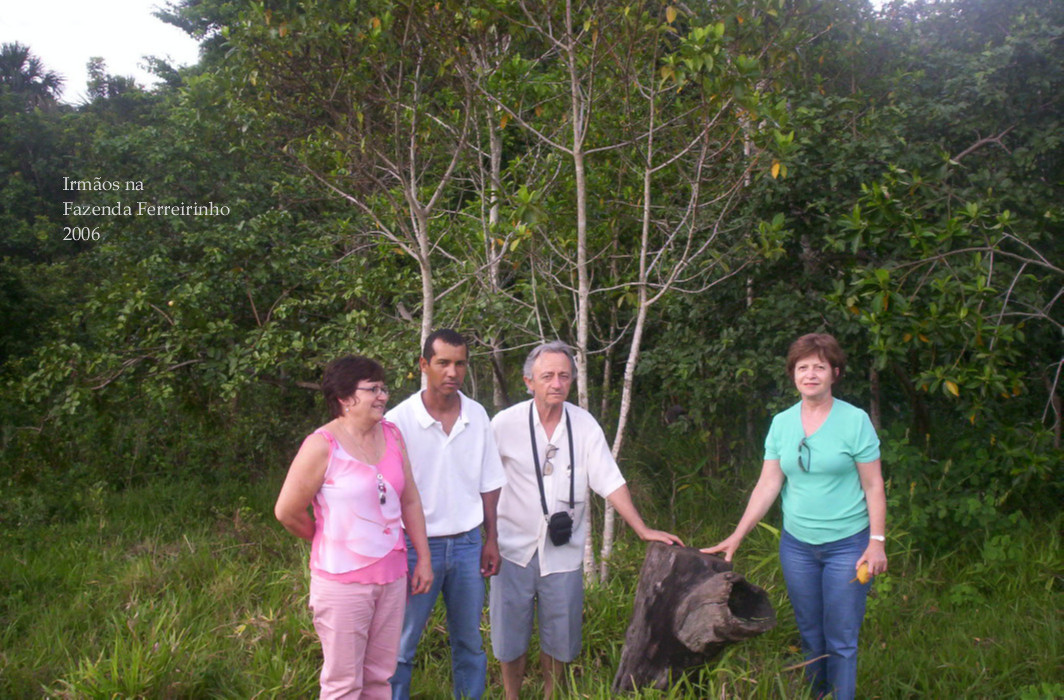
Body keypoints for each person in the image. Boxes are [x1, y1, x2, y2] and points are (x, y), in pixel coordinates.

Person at [490, 340, 683, 700]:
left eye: (564, 376)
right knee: (509, 636)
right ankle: (510, 695)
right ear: (529, 382)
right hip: (512, 549)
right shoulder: (504, 424)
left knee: (561, 637)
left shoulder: (583, 425)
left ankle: (553, 695)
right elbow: (484, 481)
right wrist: (482, 536)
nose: (557, 383)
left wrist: (642, 528)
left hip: (562, 552)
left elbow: (609, 479)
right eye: (547, 376)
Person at [702, 333, 887, 700]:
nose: (811, 374)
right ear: (793, 374)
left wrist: (876, 542)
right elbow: (768, 483)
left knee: (841, 639)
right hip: (798, 547)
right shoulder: (782, 423)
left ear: (835, 373)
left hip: (847, 546)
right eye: (803, 367)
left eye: (820, 367)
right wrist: (738, 535)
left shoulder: (855, 421)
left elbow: (873, 485)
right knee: (811, 634)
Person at [275, 355, 433, 700]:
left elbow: (410, 500)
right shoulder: (321, 445)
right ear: (345, 397)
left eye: (383, 388)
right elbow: (287, 511)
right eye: (373, 389)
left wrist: (423, 557)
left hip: (392, 576)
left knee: (380, 678)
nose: (383, 396)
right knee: (344, 684)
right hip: (342, 582)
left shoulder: (392, 434)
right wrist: (322, 536)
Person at [386, 329, 507, 700]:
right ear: (424, 365)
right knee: (401, 645)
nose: (452, 372)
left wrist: (491, 539)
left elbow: (489, 483)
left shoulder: (477, 415)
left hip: (468, 544)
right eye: (443, 363)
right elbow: (387, 492)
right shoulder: (398, 421)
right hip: (415, 546)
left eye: (460, 364)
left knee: (469, 642)